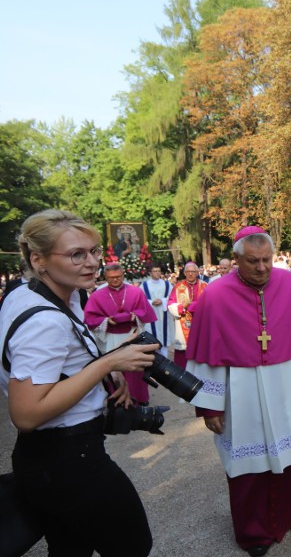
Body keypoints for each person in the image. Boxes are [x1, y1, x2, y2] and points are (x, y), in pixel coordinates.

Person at [1, 209, 159, 556]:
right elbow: (25, 414)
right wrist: (107, 362)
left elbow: (55, 365)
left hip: (48, 458)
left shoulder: (30, 292)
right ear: (38, 259)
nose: (92, 263)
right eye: (76, 254)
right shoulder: (44, 320)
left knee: (71, 547)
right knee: (133, 544)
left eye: (94, 251)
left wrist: (101, 370)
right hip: (68, 459)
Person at [186, 226, 291, 557]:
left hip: (286, 383)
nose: (262, 268)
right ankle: (254, 531)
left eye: (266, 260)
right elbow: (206, 357)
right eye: (252, 261)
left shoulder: (289, 283)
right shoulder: (215, 296)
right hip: (241, 389)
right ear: (235, 259)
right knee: (248, 461)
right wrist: (209, 407)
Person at [83, 263, 157, 404]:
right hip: (111, 339)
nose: (115, 280)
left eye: (118, 277)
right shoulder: (96, 295)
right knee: (115, 371)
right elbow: (90, 319)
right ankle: (118, 401)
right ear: (105, 277)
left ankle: (139, 399)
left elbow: (145, 311)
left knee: (136, 370)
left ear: (123, 275)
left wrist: (135, 316)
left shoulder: (136, 292)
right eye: (111, 278)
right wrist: (106, 321)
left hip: (131, 335)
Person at [167, 261, 207, 368]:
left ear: (198, 272)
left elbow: (212, 304)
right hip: (183, 323)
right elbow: (170, 305)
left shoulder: (205, 286)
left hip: (201, 323)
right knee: (182, 357)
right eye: (188, 271)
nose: (190, 274)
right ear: (184, 273)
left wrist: (194, 306)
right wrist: (182, 307)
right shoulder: (177, 287)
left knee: (201, 351)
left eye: (193, 271)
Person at [141, 265, 174, 358]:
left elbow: (172, 297)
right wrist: (151, 302)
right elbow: (140, 299)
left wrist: (163, 301)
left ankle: (165, 358)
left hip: (163, 314)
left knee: (164, 336)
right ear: (150, 273)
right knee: (151, 333)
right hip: (151, 313)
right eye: (155, 271)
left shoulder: (167, 284)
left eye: (159, 271)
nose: (157, 273)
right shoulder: (144, 285)